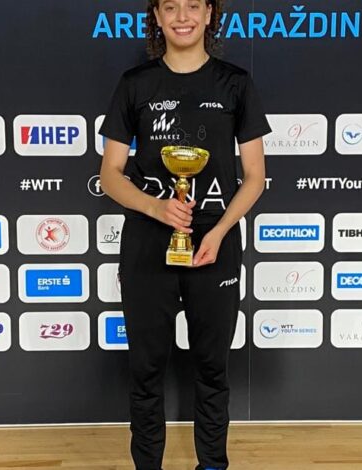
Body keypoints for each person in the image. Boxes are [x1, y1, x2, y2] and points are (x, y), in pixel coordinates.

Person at [98, 0, 271, 468]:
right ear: (156, 16)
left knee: (212, 368)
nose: (182, 16)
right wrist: (156, 207)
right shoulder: (135, 84)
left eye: (193, 5)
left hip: (215, 244)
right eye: (170, 6)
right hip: (147, 245)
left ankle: (212, 464)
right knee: (146, 370)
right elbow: (110, 174)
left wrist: (220, 230)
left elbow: (255, 176)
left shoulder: (235, 83)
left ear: (210, 13)